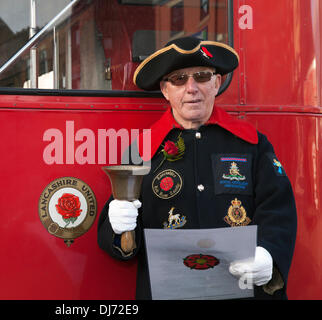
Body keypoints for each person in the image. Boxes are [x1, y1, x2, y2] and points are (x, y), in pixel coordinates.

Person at [97, 36, 297, 300]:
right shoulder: (141, 151)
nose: (191, 88)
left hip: (243, 292)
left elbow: (279, 210)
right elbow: (121, 247)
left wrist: (269, 254)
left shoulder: (252, 144)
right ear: (165, 90)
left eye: (201, 76)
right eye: (179, 79)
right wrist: (118, 226)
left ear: (216, 83)